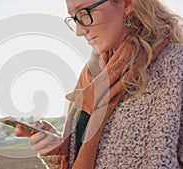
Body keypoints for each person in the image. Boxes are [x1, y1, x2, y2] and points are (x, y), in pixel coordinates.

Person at [15, 0, 183, 168]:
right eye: (74, 18)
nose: (79, 31)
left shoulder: (175, 67)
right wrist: (55, 149)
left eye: (83, 13)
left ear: (127, 3)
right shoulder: (91, 76)